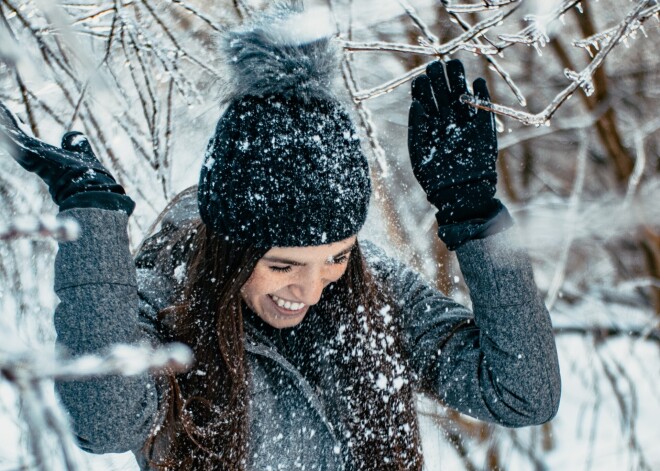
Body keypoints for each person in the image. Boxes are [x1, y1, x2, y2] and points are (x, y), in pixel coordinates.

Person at [0, 6, 560, 471]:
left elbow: (522, 393)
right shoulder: (160, 304)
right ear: (232, 248)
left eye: (337, 257)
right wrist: (93, 220)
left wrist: (474, 217)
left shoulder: (376, 291)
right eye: (284, 264)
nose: (313, 288)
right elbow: (104, 421)